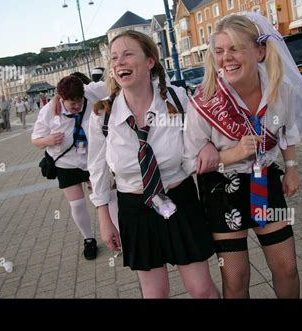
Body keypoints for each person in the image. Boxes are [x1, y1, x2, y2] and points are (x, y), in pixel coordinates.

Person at [183, 12, 302, 299]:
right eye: (219, 51)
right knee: (236, 279)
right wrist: (232, 154)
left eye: (235, 48)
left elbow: (287, 132)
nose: (226, 57)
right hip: (221, 188)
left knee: (287, 267)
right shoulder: (204, 99)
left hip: (265, 180)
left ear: (260, 51)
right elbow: (190, 162)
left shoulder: (281, 88)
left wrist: (291, 168)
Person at [88, 30, 219, 299]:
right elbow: (97, 168)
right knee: (154, 294)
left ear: (150, 61)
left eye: (127, 54)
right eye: (114, 58)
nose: (119, 62)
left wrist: (206, 142)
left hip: (179, 201)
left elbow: (207, 126)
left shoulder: (178, 99)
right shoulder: (103, 114)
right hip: (135, 209)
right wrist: (105, 220)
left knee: (201, 289)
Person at [31, 76, 106, 260]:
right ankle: (89, 240)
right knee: (77, 204)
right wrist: (47, 140)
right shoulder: (49, 111)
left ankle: (117, 234)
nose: (78, 105)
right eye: (73, 103)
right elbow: (35, 140)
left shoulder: (89, 92)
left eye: (80, 100)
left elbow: (114, 85)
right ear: (61, 98)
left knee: (105, 198)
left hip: (92, 159)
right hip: (66, 163)